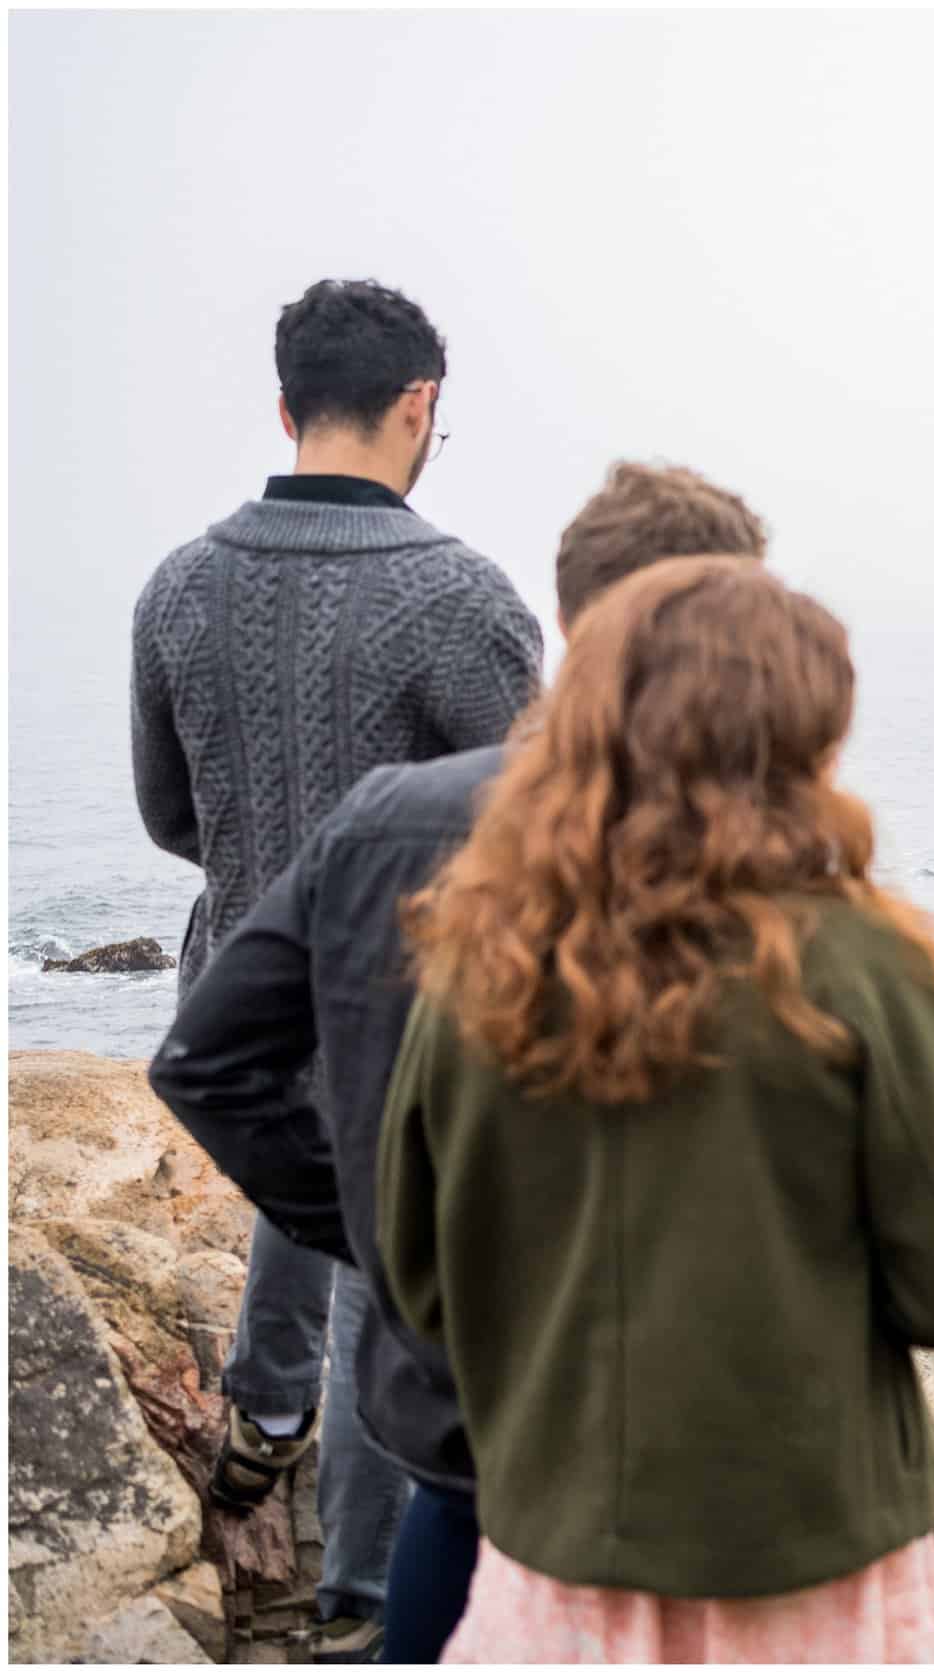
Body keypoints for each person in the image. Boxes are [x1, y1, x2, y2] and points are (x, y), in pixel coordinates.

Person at [148, 462, 771, 1662]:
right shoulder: (756, 852)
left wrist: (375, 1224)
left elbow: (206, 1055)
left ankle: (326, 1535)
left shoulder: (381, 810)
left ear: (573, 613)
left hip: (459, 1428)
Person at [377, 558, 934, 1661]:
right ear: (797, 740)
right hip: (813, 1562)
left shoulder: (475, 971)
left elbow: (422, 1279)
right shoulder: (862, 965)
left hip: (556, 1559)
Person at [129, 277, 541, 1659]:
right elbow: (538, 825)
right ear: (419, 406)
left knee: (294, 1183)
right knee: (390, 1265)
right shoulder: (462, 596)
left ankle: (267, 1416)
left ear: (288, 403)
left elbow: (166, 816)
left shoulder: (177, 586)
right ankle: (364, 1596)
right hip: (413, 1012)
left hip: (238, 991)